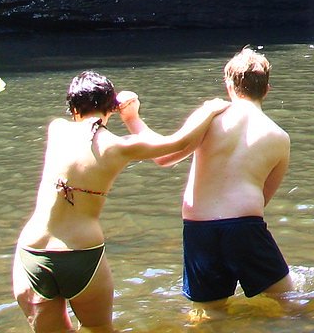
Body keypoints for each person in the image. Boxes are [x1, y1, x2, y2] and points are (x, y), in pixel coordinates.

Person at [12, 71, 229, 333]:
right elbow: (178, 143)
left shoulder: (56, 128)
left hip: (32, 251)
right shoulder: (119, 147)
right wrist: (208, 110)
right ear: (109, 106)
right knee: (98, 329)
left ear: (73, 107)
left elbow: (87, 122)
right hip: (81, 253)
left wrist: (112, 105)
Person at [125, 47, 294, 314]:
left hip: (198, 228)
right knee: (288, 302)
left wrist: (132, 118)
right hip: (244, 226)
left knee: (210, 314)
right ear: (267, 90)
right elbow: (264, 197)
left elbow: (164, 157)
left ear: (229, 85)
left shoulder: (210, 116)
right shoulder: (280, 137)